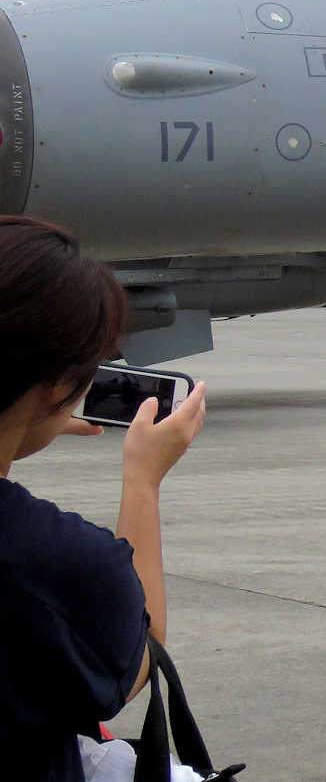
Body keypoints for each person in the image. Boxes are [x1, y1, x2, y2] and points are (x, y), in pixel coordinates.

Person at [0, 216, 206, 780]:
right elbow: (138, 650)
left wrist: (26, 425)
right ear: (54, 385)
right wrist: (143, 480)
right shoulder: (57, 562)